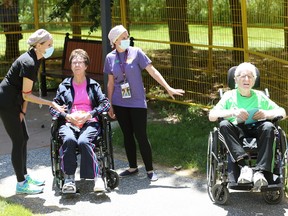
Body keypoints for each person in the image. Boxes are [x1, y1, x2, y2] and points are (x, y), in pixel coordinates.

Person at [104, 25, 185, 181]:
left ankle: (149, 170)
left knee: (141, 135)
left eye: (127, 36)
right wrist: (110, 104)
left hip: (137, 102)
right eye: (124, 38)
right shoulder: (110, 57)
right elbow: (110, 83)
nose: (127, 39)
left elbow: (152, 70)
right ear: (115, 41)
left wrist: (168, 88)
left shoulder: (137, 52)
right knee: (127, 135)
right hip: (119, 102)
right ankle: (132, 167)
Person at [0, 29, 65, 194]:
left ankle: (25, 176)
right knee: (18, 140)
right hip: (6, 102)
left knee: (25, 138)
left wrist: (22, 110)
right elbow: (27, 94)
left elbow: (25, 93)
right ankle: (21, 184)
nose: (51, 47)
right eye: (49, 45)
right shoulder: (29, 62)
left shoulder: (36, 58)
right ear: (38, 45)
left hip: (15, 102)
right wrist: (52, 103)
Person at [209, 62, 286, 188]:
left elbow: (282, 112)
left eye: (250, 76)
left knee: (269, 127)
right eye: (243, 76)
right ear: (235, 79)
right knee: (223, 124)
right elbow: (212, 116)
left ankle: (260, 173)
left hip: (258, 130)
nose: (247, 79)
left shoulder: (260, 96)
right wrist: (233, 113)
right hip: (237, 131)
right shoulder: (229, 96)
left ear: (254, 80)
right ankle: (244, 167)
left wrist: (266, 114)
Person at [49, 49, 111, 193]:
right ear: (70, 66)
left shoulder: (93, 85)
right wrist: (66, 116)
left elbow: (105, 104)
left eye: (80, 62)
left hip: (89, 122)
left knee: (84, 141)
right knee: (69, 140)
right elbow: (53, 108)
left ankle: (97, 177)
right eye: (74, 62)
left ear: (86, 65)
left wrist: (90, 114)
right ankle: (69, 179)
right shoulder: (64, 86)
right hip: (69, 122)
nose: (77, 65)